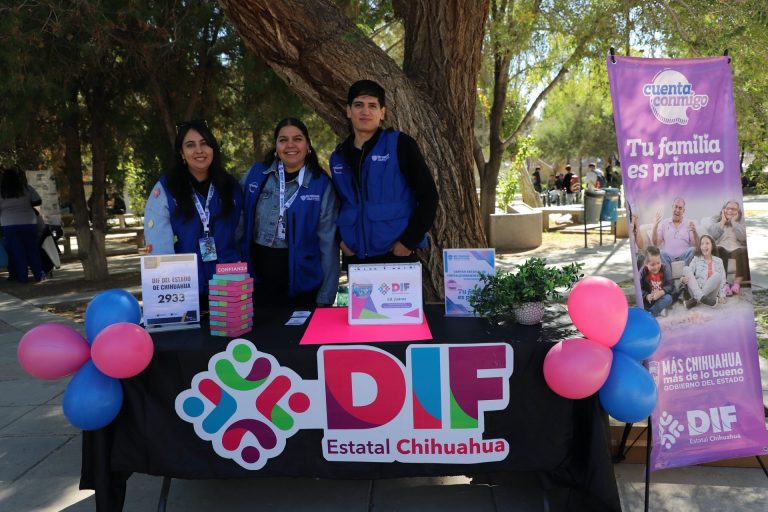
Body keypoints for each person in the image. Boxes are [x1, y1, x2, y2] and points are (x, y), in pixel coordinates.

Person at [330, 79, 438, 264]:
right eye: (358, 105)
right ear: (348, 111)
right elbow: (334, 206)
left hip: (396, 253)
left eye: (372, 105)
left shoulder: (400, 144)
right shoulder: (338, 156)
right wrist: (342, 242)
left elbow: (429, 196)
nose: (365, 111)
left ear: (382, 113)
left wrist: (408, 242)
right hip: (355, 255)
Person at [241, 118, 339, 307]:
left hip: (303, 285)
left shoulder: (321, 185)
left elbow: (328, 245)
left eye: (297, 139)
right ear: (276, 146)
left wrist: (326, 296)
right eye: (283, 140)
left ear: (308, 145)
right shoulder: (256, 175)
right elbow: (238, 226)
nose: (290, 145)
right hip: (256, 284)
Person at [144, 120, 243, 298]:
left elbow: (239, 235)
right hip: (184, 291)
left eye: (204, 143)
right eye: (190, 145)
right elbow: (159, 251)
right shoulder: (166, 189)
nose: (199, 150)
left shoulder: (231, 187)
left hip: (228, 289)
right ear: (181, 153)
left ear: (213, 148)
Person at [0, 166, 45, 282]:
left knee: (17, 252)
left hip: (9, 224)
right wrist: (30, 208)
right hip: (29, 222)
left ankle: (23, 277)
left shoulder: (1, 191)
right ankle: (38, 275)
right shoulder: (26, 188)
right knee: (32, 249)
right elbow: (38, 201)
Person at [706, 199, 749, 296]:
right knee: (719, 250)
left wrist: (734, 222)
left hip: (737, 248)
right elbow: (713, 236)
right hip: (722, 247)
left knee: (743, 251)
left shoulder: (741, 223)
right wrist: (723, 221)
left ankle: (736, 285)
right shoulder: (716, 222)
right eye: (728, 208)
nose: (730, 211)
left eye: (733, 209)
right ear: (723, 210)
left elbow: (743, 238)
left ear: (738, 212)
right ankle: (724, 285)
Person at [681, 234, 727, 308]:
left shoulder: (719, 261)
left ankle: (696, 300)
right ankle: (702, 298)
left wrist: (722, 296)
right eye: (702, 244)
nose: (704, 246)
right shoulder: (696, 259)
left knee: (718, 275)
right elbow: (689, 274)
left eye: (707, 243)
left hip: (711, 294)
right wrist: (683, 279)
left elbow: (723, 279)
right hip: (695, 290)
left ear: (712, 246)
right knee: (686, 269)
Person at [652, 197, 697, 269]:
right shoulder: (664, 223)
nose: (677, 210)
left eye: (680, 208)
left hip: (684, 257)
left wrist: (695, 232)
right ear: (672, 207)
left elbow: (695, 244)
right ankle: (669, 276)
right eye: (676, 207)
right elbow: (656, 243)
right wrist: (655, 227)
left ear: (683, 210)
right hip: (669, 258)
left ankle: (686, 273)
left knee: (693, 250)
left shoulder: (689, 223)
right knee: (661, 253)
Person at [640, 245, 673, 317]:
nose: (656, 267)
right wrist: (647, 296)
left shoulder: (665, 269)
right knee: (641, 303)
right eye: (652, 265)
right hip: (649, 299)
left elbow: (670, 285)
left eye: (658, 263)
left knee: (669, 298)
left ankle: (651, 313)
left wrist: (661, 292)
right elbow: (639, 288)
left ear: (660, 260)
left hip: (661, 297)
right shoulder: (643, 272)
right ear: (646, 264)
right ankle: (659, 309)